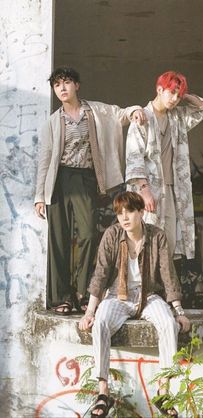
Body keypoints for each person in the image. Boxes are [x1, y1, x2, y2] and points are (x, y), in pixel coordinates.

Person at [34, 67, 146, 315]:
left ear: (77, 85)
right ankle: (61, 297)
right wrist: (39, 197)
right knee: (59, 239)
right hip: (59, 181)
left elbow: (120, 114)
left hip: (86, 179)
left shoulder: (95, 111)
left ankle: (86, 293)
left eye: (66, 83)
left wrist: (135, 110)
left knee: (87, 235)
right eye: (57, 85)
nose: (62, 88)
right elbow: (44, 160)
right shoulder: (53, 122)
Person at [79, 191, 190, 417]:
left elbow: (168, 275)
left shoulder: (157, 236)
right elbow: (100, 273)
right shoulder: (112, 235)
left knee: (169, 324)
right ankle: (103, 392)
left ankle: (163, 391)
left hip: (148, 296)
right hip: (117, 296)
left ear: (141, 212)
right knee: (100, 322)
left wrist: (179, 311)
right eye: (119, 213)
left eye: (129, 211)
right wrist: (90, 311)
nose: (124, 217)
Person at [126, 71, 203, 260]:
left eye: (178, 96)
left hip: (173, 190)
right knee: (145, 243)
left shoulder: (177, 117)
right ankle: (143, 288)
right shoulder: (142, 117)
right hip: (148, 189)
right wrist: (144, 189)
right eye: (171, 93)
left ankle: (162, 289)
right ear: (159, 89)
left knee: (170, 244)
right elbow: (134, 158)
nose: (174, 99)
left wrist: (184, 92)